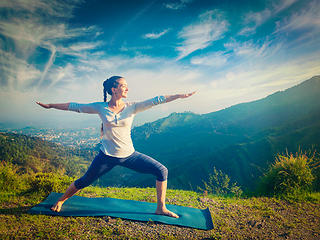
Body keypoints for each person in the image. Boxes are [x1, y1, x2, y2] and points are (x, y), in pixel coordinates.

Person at [36, 76, 196, 218]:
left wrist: (179, 96)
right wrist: (50, 105)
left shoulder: (133, 106)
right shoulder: (100, 107)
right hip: (106, 157)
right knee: (84, 181)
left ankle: (161, 208)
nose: (127, 88)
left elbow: (157, 99)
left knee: (162, 170)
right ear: (114, 89)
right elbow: (75, 106)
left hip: (130, 156)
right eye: (124, 85)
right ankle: (61, 200)